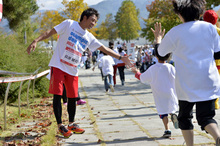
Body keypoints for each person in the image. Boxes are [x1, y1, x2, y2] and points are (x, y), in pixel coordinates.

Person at [27, 8, 133, 138]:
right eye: (92, 20)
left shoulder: (89, 37)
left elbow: (104, 48)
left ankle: (71, 124)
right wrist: (36, 40)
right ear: (85, 17)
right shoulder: (69, 24)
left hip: (72, 69)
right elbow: (50, 32)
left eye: (95, 22)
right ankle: (61, 126)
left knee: (73, 97)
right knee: (57, 95)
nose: (93, 23)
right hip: (58, 65)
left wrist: (121, 58)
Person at [151, 0, 220, 145]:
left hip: (186, 82)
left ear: (180, 13)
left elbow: (161, 54)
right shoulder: (210, 28)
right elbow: (218, 53)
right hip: (208, 79)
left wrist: (158, 40)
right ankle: (218, 137)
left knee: (184, 117)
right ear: (200, 12)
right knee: (206, 117)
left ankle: (190, 145)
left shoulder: (175, 31)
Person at [131, 46, 179, 138]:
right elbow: (178, 79)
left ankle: (167, 129)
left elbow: (142, 78)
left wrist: (136, 72)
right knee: (171, 108)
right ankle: (173, 115)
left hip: (159, 94)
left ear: (156, 56)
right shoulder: (171, 67)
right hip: (171, 92)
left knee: (163, 112)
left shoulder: (153, 68)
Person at [203, 9, 220, 110]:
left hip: (207, 61)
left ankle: (208, 102)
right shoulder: (218, 31)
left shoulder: (202, 32)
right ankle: (216, 103)